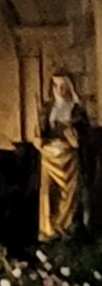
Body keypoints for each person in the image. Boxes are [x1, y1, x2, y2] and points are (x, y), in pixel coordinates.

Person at [39, 70, 90, 238]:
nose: (59, 90)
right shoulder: (47, 109)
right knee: (49, 195)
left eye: (63, 86)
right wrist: (38, 140)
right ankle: (51, 232)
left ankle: (67, 231)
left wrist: (71, 132)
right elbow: (40, 132)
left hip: (69, 160)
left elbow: (84, 137)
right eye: (55, 85)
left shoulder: (76, 110)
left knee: (69, 197)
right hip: (49, 158)